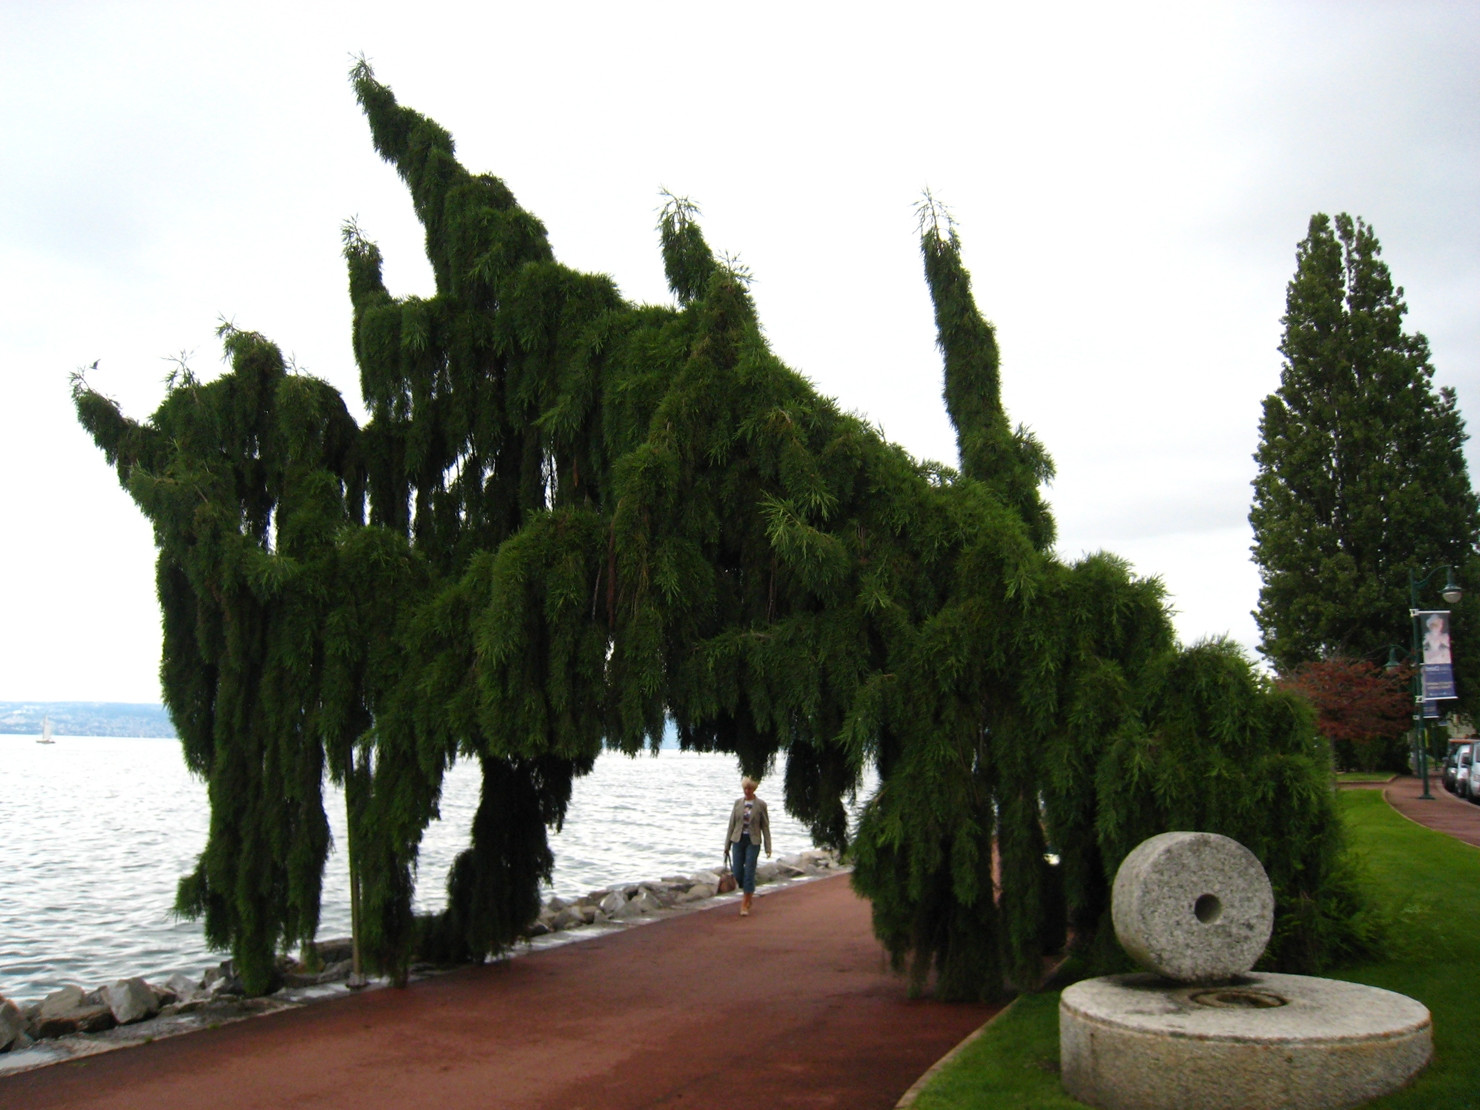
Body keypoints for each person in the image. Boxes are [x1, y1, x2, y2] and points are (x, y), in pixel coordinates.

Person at [724, 776, 771, 916]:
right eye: (745, 788)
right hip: (738, 840)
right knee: (738, 872)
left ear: (754, 789)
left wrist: (768, 847)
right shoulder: (738, 803)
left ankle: (745, 903)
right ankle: (749, 892)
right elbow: (731, 824)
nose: (747, 790)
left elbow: (765, 827)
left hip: (753, 841)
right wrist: (727, 845)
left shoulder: (761, 804)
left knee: (749, 870)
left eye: (749, 788)